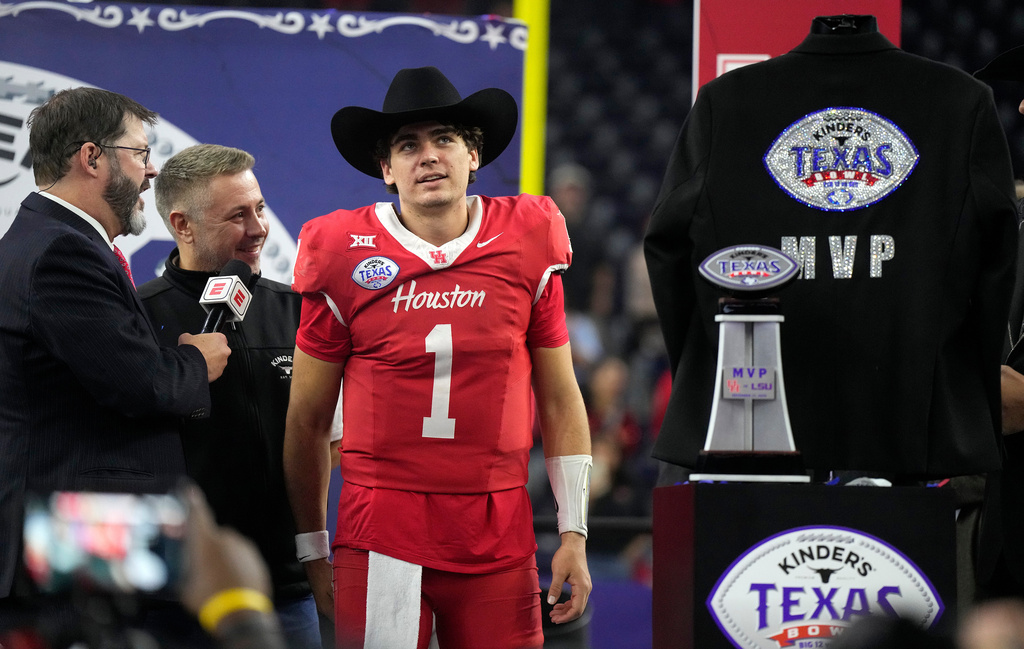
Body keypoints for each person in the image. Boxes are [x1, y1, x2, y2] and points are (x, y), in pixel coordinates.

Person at [283, 66, 592, 649]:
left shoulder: (528, 237)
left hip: (498, 527)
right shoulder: (342, 251)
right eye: (407, 145)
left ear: (473, 155)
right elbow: (307, 419)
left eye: (444, 139)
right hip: (382, 527)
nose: (428, 156)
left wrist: (573, 532)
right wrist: (313, 549)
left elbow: (559, 397)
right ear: (386, 168)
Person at [644, 14, 1018, 483]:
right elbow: (997, 261)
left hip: (753, 417)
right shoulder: (960, 101)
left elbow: (666, 248)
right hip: (913, 422)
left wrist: (706, 368)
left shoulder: (726, 101)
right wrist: (964, 384)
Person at [0, 88, 231, 613]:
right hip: (71, 546)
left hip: (69, 538)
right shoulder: (61, 252)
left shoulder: (45, 241)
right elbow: (143, 383)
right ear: (92, 157)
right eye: (141, 153)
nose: (151, 171)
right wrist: (197, 360)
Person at [136, 144, 319, 648]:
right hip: (175, 602)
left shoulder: (296, 310)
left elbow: (329, 440)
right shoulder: (136, 317)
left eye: (260, 208)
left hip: (288, 591)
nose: (258, 228)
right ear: (183, 225)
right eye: (238, 215)